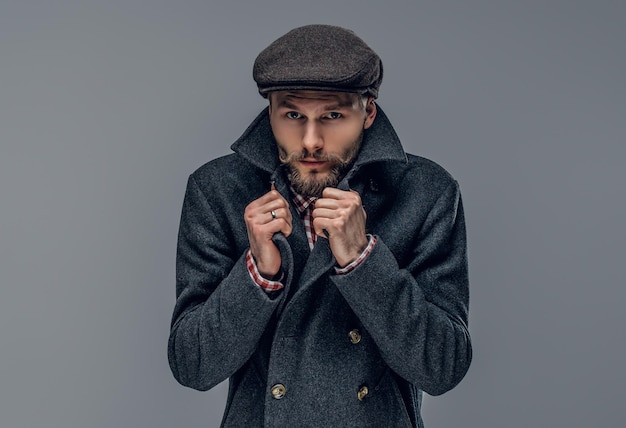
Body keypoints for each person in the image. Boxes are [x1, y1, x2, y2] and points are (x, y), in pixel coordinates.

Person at [168, 24, 472, 427]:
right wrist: (258, 272)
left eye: (332, 115)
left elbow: (443, 367)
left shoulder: (426, 192)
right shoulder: (217, 190)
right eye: (293, 114)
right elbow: (193, 366)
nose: (311, 140)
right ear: (270, 112)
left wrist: (364, 261)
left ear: (368, 112)